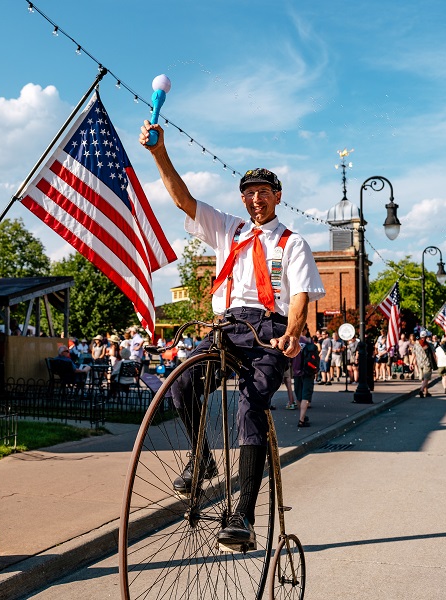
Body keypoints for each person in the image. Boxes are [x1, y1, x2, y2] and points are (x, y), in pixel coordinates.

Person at [140, 121, 325, 551]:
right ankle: (202, 459)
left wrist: (292, 334)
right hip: (228, 326)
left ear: (277, 197)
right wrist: (159, 153)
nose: (255, 198)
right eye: (249, 193)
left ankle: (242, 515)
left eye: (263, 192)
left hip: (269, 329)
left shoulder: (292, 243)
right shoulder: (229, 229)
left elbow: (299, 299)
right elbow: (183, 199)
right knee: (181, 383)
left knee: (251, 405)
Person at [293, 334, 315, 427]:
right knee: (306, 394)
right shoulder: (309, 341)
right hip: (308, 371)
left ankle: (302, 415)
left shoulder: (293, 340)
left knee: (298, 395)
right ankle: (301, 419)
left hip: (296, 371)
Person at [409, 330, 435, 398]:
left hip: (419, 363)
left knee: (423, 379)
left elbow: (413, 354)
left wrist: (411, 363)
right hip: (427, 363)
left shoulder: (416, 345)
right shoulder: (429, 344)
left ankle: (426, 392)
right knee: (426, 378)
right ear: (426, 337)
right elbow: (433, 353)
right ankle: (421, 390)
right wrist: (436, 361)